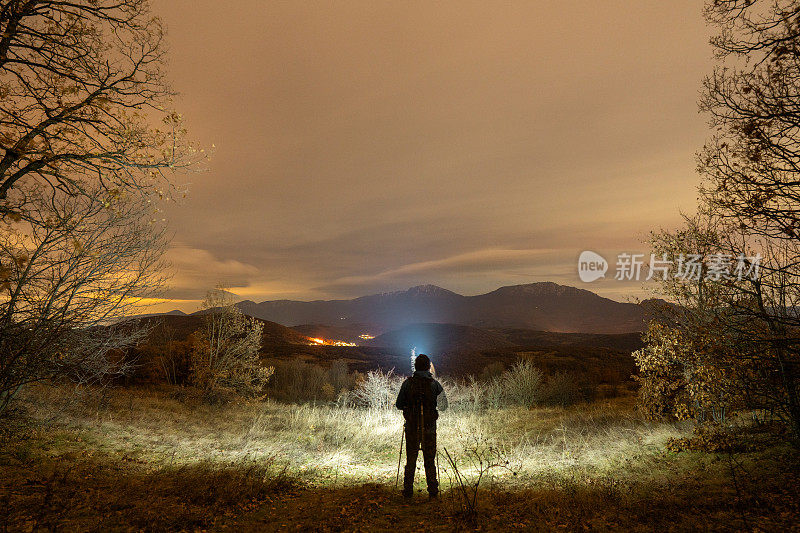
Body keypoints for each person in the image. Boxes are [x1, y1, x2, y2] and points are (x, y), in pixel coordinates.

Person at [395, 353, 447, 499]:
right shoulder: (434, 384)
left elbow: (399, 405)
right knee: (429, 460)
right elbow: (444, 406)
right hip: (429, 429)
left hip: (411, 428)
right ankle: (432, 491)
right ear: (428, 367)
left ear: (416, 367)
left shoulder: (407, 384)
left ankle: (408, 491)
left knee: (410, 459)